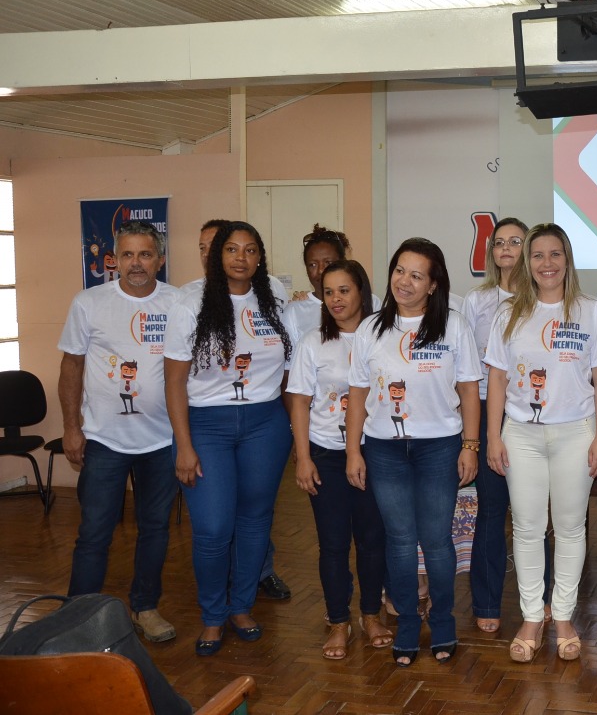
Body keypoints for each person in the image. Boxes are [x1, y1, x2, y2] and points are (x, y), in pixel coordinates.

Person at [484, 223, 597, 663]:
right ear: (527, 262)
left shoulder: (591, 311)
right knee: (526, 528)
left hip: (576, 434)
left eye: (555, 254)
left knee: (570, 528)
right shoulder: (508, 315)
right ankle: (531, 617)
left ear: (567, 260)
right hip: (520, 435)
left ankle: (562, 616)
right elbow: (497, 379)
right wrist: (492, 436)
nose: (547, 263)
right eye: (538, 255)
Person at [343, 238, 482, 667]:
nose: (404, 281)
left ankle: (442, 620)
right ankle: (406, 621)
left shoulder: (454, 326)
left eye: (416, 275)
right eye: (399, 270)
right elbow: (357, 395)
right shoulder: (370, 329)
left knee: (437, 540)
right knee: (400, 540)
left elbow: (469, 391)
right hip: (383, 449)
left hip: (439, 447)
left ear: (433, 284)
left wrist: (470, 446)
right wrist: (352, 452)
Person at [164, 221, 293, 656]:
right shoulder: (190, 302)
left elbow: (289, 366)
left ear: (260, 257)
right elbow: (174, 382)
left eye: (250, 249)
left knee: (255, 521)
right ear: (217, 254)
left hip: (265, 424)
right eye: (232, 249)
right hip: (206, 426)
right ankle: (213, 615)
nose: (241, 257)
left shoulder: (274, 296)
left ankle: (241, 607)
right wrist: (184, 445)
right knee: (213, 528)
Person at [58, 221, 181, 643]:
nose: (136, 263)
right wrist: (71, 427)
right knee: (94, 533)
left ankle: (145, 608)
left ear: (160, 260)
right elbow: (72, 365)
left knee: (155, 529)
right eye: (128, 254)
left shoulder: (178, 303)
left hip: (161, 440)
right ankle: (77, 619)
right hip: (104, 440)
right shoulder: (89, 303)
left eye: (145, 254)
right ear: (114, 260)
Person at [285, 259, 394, 660]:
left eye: (344, 290)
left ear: (362, 291)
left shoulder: (383, 335)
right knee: (333, 543)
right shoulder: (313, 342)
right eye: (328, 292)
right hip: (326, 454)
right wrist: (302, 457)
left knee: (372, 540)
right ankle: (338, 621)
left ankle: (370, 615)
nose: (335, 299)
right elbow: (299, 401)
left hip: (375, 452)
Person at [462, 217, 553, 634]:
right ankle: (486, 602)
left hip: (533, 412)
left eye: (516, 242)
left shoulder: (545, 300)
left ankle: (545, 598)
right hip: (487, 409)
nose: (506, 249)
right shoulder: (477, 301)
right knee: (491, 510)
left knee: (534, 514)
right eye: (499, 242)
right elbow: (466, 364)